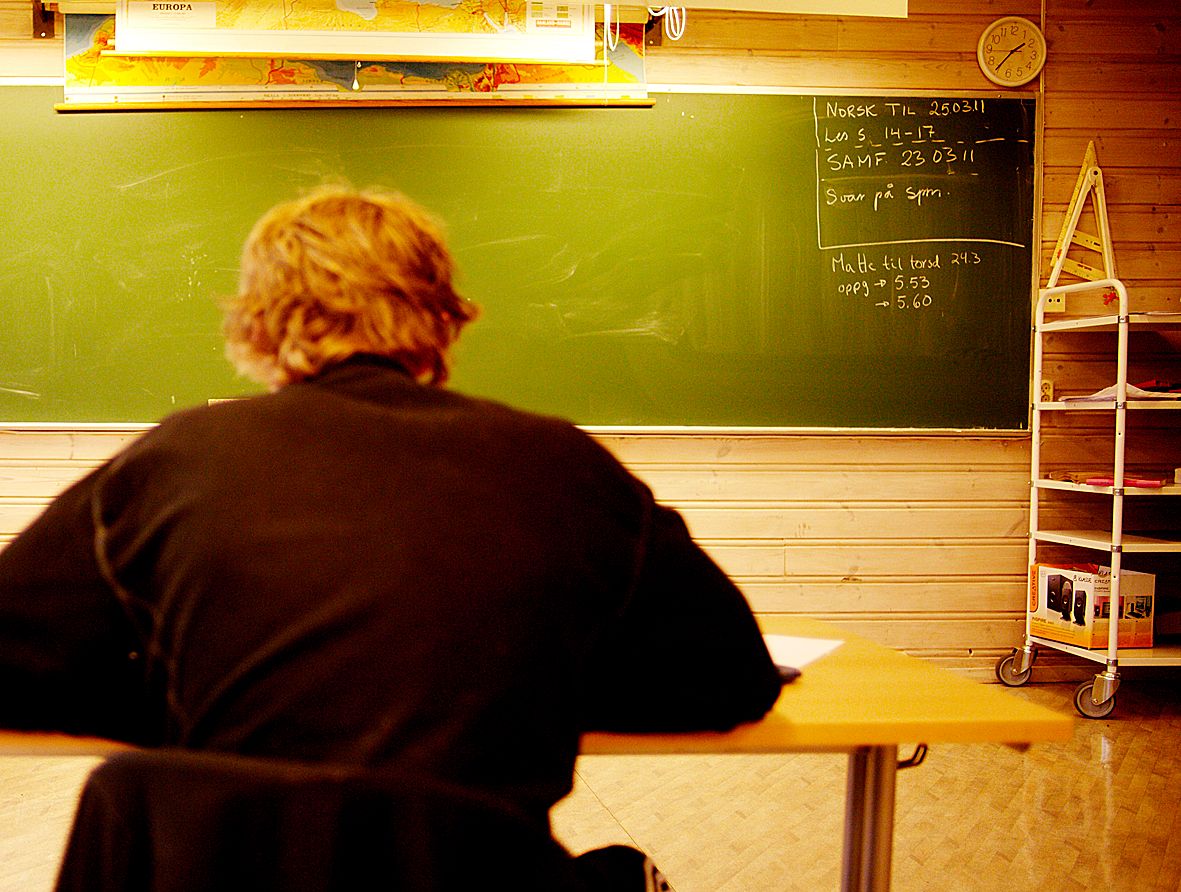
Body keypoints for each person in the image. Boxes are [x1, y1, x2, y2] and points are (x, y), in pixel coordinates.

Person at [0, 185, 783, 888]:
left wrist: (189, 704)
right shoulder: (561, 464)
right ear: (439, 313)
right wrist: (527, 679)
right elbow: (732, 678)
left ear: (257, 321)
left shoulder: (176, 459)